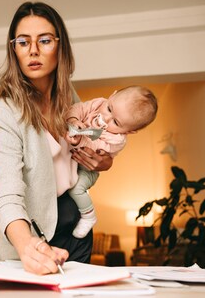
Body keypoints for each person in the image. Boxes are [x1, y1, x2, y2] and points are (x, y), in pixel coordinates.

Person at [0, 1, 113, 275]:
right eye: (23, 42)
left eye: (44, 40)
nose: (33, 50)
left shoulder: (71, 99)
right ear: (14, 50)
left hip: (76, 231)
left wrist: (102, 162)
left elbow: (86, 151)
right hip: (32, 237)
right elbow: (6, 192)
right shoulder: (6, 113)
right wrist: (26, 244)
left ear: (60, 46)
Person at [64, 86, 158, 238]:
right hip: (72, 159)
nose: (105, 118)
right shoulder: (97, 104)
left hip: (87, 169)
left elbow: (96, 147)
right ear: (112, 96)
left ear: (129, 131)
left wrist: (80, 139)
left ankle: (88, 216)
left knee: (76, 188)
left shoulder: (117, 139)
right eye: (109, 108)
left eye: (115, 121)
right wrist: (73, 120)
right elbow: (78, 108)